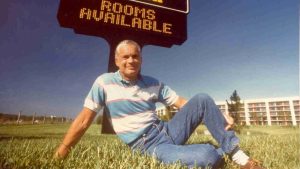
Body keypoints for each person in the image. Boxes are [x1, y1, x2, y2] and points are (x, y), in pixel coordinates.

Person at [54, 40, 265, 169]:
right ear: (117, 60)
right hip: (148, 145)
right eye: (125, 57)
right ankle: (214, 151)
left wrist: (219, 117)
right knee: (207, 157)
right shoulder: (103, 83)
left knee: (201, 97)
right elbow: (83, 121)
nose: (131, 60)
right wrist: (61, 152)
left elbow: (183, 103)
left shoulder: (153, 83)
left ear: (141, 60)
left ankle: (240, 158)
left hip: (167, 129)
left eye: (135, 56)